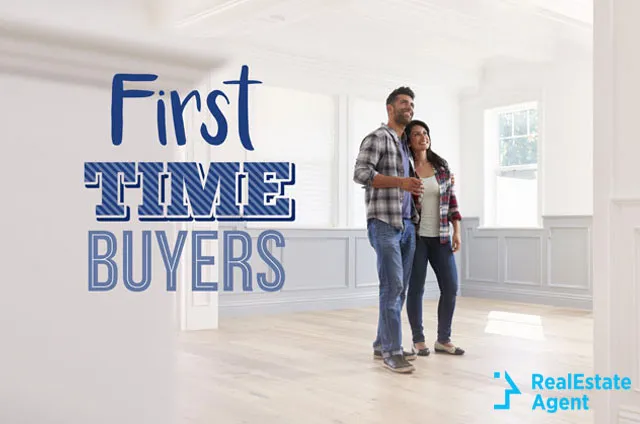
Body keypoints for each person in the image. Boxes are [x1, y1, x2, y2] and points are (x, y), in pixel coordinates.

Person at [353, 87, 424, 374]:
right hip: (384, 223)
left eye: (412, 104)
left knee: (400, 289)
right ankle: (392, 352)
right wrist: (400, 182)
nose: (409, 107)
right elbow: (360, 174)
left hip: (407, 224)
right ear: (389, 108)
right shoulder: (377, 138)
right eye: (404, 103)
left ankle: (382, 343)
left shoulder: (404, 145)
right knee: (392, 287)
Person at [404, 119, 465, 356]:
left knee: (450, 287)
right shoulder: (405, 168)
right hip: (417, 238)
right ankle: (418, 340)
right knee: (416, 289)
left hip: (441, 237)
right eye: (417, 134)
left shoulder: (441, 167)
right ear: (409, 140)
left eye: (425, 133)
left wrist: (456, 231)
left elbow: (452, 202)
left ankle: (443, 339)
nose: (423, 137)